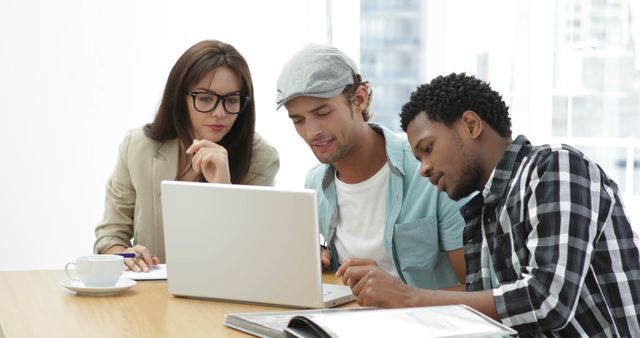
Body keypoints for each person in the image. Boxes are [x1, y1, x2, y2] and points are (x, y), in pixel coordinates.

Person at [341, 72, 640, 337]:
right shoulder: (483, 212)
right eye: (419, 159)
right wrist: (390, 298)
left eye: (428, 149)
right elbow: (483, 314)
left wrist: (407, 298)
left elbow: (547, 302)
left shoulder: (555, 165)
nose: (424, 168)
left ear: (471, 125)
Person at [275, 44, 468, 291]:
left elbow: (479, 289)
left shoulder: (434, 172)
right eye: (298, 120)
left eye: (322, 113)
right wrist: (319, 258)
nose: (312, 132)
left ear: (359, 98)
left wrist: (401, 297)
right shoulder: (314, 184)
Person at [94, 40, 279, 272]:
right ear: (179, 98)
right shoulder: (138, 146)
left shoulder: (261, 158)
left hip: (222, 293)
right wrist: (125, 256)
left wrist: (224, 187)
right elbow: (111, 234)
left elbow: (253, 254)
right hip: (153, 297)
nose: (219, 113)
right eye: (205, 98)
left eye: (232, 100)